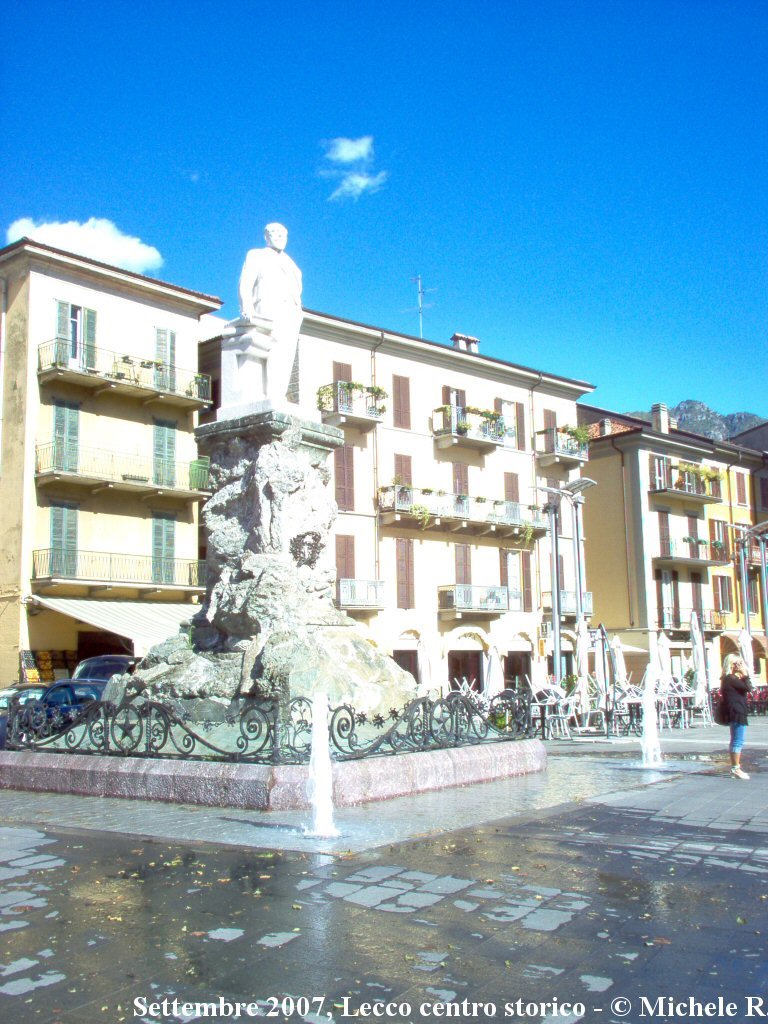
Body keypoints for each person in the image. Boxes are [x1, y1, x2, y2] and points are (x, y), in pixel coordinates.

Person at [238, 224, 303, 405]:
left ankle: (278, 393)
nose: (281, 237)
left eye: (284, 234)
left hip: (291, 311)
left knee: (287, 353)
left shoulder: (291, 264)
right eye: (276, 233)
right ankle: (271, 394)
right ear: (266, 236)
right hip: (267, 306)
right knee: (272, 347)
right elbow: (245, 282)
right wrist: (246, 306)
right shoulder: (256, 255)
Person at [719, 653, 752, 780]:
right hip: (737, 712)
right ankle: (735, 769)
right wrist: (745, 673)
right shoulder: (731, 679)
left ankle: (735, 768)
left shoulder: (728, 679)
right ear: (732, 665)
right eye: (737, 663)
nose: (740, 665)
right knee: (738, 741)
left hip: (736, 711)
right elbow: (749, 687)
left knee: (736, 740)